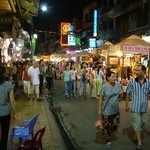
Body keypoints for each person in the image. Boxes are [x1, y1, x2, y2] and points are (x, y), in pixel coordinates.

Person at [125, 65, 150, 150]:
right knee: (137, 123)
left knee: (143, 122)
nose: (136, 72)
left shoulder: (148, 82)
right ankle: (139, 142)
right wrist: (127, 105)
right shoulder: (132, 82)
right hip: (135, 107)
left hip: (144, 107)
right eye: (135, 70)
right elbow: (127, 93)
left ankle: (136, 135)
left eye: (138, 70)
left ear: (144, 72)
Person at [98, 71, 123, 149]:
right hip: (106, 110)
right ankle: (108, 140)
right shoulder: (104, 87)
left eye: (115, 76)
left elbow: (121, 92)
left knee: (116, 124)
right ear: (108, 78)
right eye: (112, 76)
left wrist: (121, 92)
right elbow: (101, 99)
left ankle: (108, 133)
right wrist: (99, 110)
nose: (114, 78)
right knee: (106, 126)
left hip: (115, 109)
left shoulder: (118, 85)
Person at [0, 65, 16, 150]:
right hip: (5, 113)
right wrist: (14, 113)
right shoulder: (9, 85)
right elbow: (12, 101)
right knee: (5, 132)